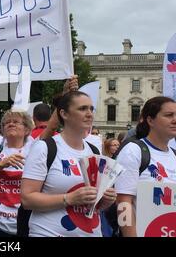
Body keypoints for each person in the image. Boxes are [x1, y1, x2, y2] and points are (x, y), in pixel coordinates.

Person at [21, 91, 117, 237]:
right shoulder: (45, 148)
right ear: (64, 114)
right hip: (49, 232)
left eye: (91, 109)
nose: (89, 113)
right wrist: (69, 198)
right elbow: (27, 199)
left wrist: (105, 200)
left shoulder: (94, 150)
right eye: (82, 109)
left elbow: (94, 206)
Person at [115, 96, 176, 237]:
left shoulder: (174, 155)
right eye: (169, 115)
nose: (175, 120)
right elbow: (123, 203)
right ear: (150, 120)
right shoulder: (133, 150)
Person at [0, 110, 34, 237]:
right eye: (7, 123)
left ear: (26, 130)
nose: (11, 124)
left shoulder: (35, 149)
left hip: (24, 223)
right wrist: (2, 164)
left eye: (16, 122)